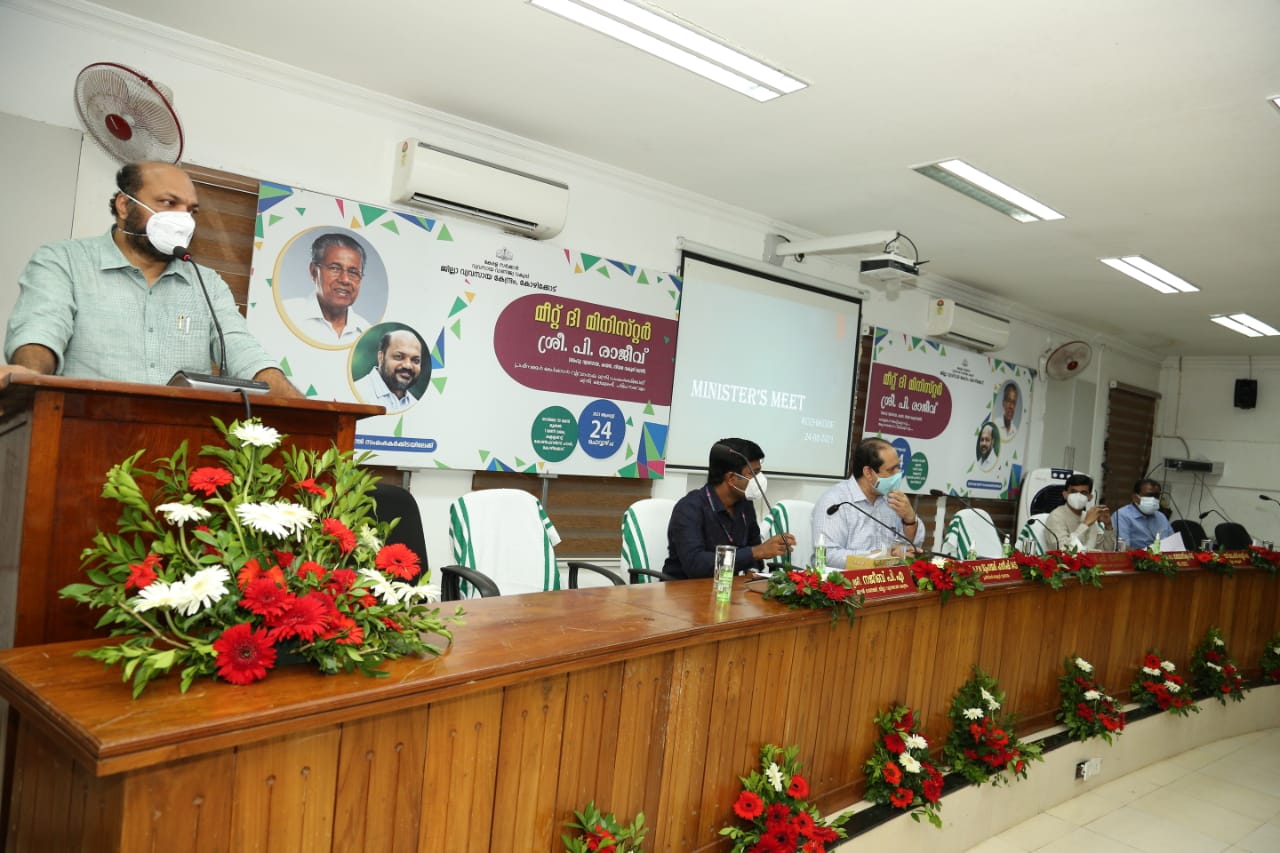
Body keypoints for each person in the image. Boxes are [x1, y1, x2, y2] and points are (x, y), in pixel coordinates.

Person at [2, 161, 299, 396]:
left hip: (180, 446)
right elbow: (40, 331)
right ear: (124, 205)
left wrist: (300, 406)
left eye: (191, 210)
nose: (184, 220)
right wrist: (29, 375)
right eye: (169, 203)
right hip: (82, 433)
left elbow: (244, 353)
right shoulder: (63, 261)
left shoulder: (208, 284)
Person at [663, 438, 794, 579]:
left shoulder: (745, 505)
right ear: (731, 478)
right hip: (685, 588)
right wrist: (755, 552)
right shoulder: (689, 508)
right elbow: (696, 564)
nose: (759, 479)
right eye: (753, 473)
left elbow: (754, 547)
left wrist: (753, 570)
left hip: (727, 586)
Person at [812, 437, 924, 568]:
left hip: (889, 577)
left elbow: (914, 547)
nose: (898, 473)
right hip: (847, 579)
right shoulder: (836, 502)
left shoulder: (892, 499)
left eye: (898, 467)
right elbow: (827, 556)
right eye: (891, 470)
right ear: (868, 473)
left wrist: (910, 519)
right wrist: (879, 557)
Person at [283, 233, 373, 343]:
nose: (345, 280)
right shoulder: (286, 314)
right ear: (314, 272)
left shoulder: (368, 334)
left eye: (353, 272)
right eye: (335, 268)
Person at [355, 329, 424, 411]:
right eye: (399, 356)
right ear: (381, 357)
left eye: (415, 360)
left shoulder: (417, 407)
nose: (408, 366)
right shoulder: (356, 395)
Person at [1045, 473, 1115, 551]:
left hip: (1090, 558)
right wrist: (1085, 524)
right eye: (1074, 492)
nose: (1078, 496)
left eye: (1083, 492)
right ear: (1065, 495)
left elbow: (1107, 551)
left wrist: (1108, 526)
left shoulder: (1089, 516)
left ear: (1090, 497)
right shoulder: (1056, 517)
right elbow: (1063, 550)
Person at [1113, 477, 1174, 550]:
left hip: (1163, 556)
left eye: (1156, 496)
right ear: (1135, 498)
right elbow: (1122, 548)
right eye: (1149, 495)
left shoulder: (1161, 517)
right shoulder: (1122, 516)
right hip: (1137, 556)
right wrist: (1148, 554)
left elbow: (1173, 544)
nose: (1153, 499)